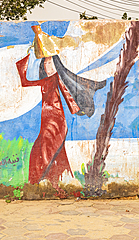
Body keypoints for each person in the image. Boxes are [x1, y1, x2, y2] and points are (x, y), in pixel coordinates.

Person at [16, 25, 106, 194]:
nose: (49, 65)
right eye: (47, 62)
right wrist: (24, 65)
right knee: (47, 148)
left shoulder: (55, 79)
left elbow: (69, 90)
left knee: (52, 149)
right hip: (50, 117)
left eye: (51, 62)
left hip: (57, 118)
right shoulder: (46, 79)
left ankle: (51, 183)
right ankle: (39, 182)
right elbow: (28, 79)